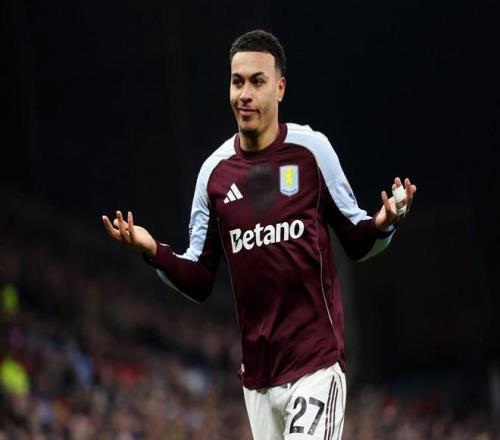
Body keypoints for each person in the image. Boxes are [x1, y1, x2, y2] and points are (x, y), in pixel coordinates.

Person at [102, 29, 416, 439]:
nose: (244, 94)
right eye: (237, 82)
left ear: (279, 88)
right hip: (259, 381)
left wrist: (384, 221)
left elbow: (356, 240)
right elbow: (199, 278)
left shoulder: (312, 151)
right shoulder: (213, 175)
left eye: (257, 81)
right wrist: (152, 249)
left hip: (316, 366)